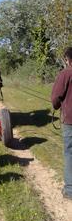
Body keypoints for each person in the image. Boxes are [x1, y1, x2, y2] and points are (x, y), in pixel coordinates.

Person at [51, 47, 72, 199]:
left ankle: (70, 190)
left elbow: (55, 98)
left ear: (68, 59)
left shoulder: (65, 74)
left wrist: (57, 106)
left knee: (69, 153)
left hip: (70, 120)